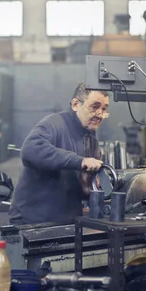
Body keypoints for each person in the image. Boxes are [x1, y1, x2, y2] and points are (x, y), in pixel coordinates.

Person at [9, 83, 109, 225]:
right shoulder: (54, 124)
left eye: (104, 109)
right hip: (33, 221)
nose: (100, 114)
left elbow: (84, 184)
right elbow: (31, 149)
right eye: (95, 107)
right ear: (75, 104)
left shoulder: (91, 140)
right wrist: (80, 161)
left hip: (67, 221)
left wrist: (92, 188)